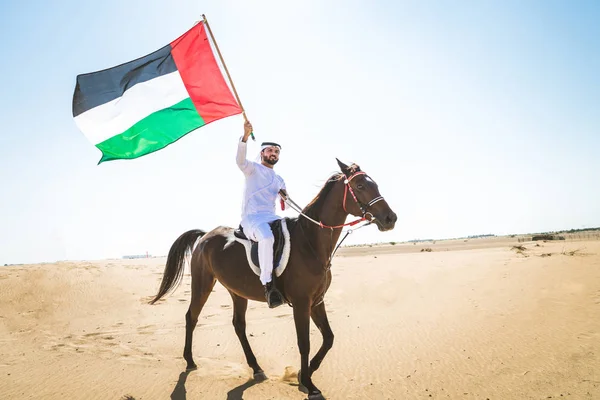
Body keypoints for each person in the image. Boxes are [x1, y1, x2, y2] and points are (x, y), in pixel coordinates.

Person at [236, 120, 287, 308]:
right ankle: (268, 284)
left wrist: (285, 197)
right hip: (252, 218)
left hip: (272, 216)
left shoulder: (279, 179)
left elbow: (285, 207)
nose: (273, 154)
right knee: (266, 237)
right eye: (270, 151)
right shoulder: (252, 169)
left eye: (276, 152)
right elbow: (240, 161)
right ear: (262, 153)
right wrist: (245, 136)